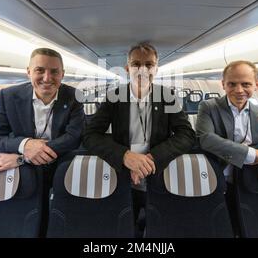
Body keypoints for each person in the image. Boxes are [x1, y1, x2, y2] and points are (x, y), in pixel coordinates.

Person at [83, 42, 195, 236]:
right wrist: (124, 156)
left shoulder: (167, 96)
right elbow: (90, 135)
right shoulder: (114, 97)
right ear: (127, 68)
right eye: (136, 64)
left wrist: (152, 158)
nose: (142, 69)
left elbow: (186, 134)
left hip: (158, 175)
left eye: (149, 64)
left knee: (160, 227)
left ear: (156, 68)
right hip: (122, 176)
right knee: (124, 225)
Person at [0, 47, 84, 176]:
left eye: (54, 72)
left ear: (62, 74)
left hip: (59, 163)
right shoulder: (8, 96)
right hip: (21, 172)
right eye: (39, 70)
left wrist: (24, 158)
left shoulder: (74, 96)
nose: (47, 78)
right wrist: (25, 145)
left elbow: (74, 138)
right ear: (29, 72)